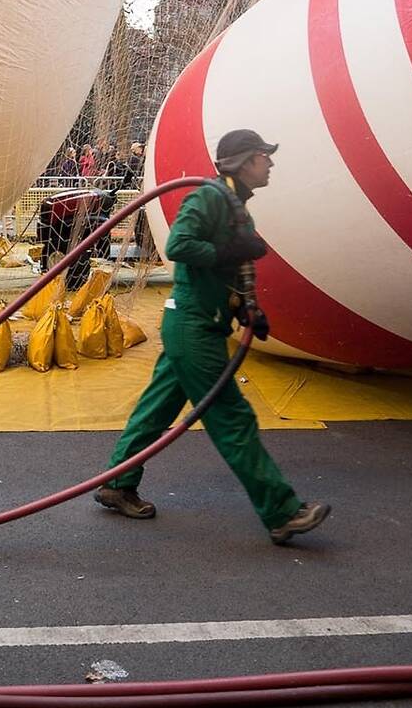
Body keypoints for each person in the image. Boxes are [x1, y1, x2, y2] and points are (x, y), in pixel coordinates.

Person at [94, 129, 330, 545]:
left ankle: (118, 483)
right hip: (193, 324)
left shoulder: (237, 208)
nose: (270, 164)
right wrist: (227, 253)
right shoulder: (209, 197)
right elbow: (181, 245)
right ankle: (281, 511)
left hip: (200, 321)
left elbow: (233, 275)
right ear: (243, 161)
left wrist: (248, 310)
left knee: (156, 409)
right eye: (264, 156)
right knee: (232, 417)